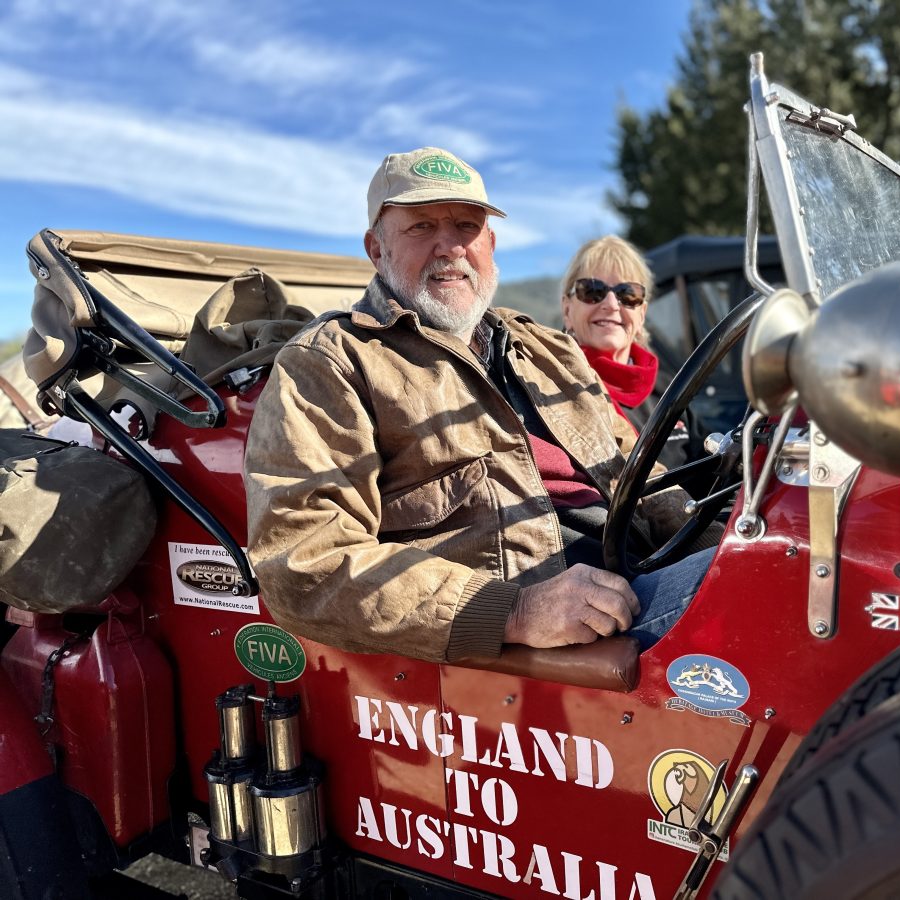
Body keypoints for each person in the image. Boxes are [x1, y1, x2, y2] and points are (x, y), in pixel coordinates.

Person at [243, 148, 718, 664]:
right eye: (421, 226)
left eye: (467, 226)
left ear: (490, 244)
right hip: (552, 648)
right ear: (375, 249)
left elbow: (641, 479)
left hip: (640, 580)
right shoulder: (332, 362)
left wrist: (723, 539)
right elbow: (304, 560)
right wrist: (514, 611)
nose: (450, 247)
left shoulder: (549, 350)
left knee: (790, 559)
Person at [560, 236, 704, 469]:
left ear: (642, 314)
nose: (611, 304)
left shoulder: (671, 388)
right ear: (567, 309)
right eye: (593, 290)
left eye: (627, 294)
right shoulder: (548, 387)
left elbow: (711, 469)